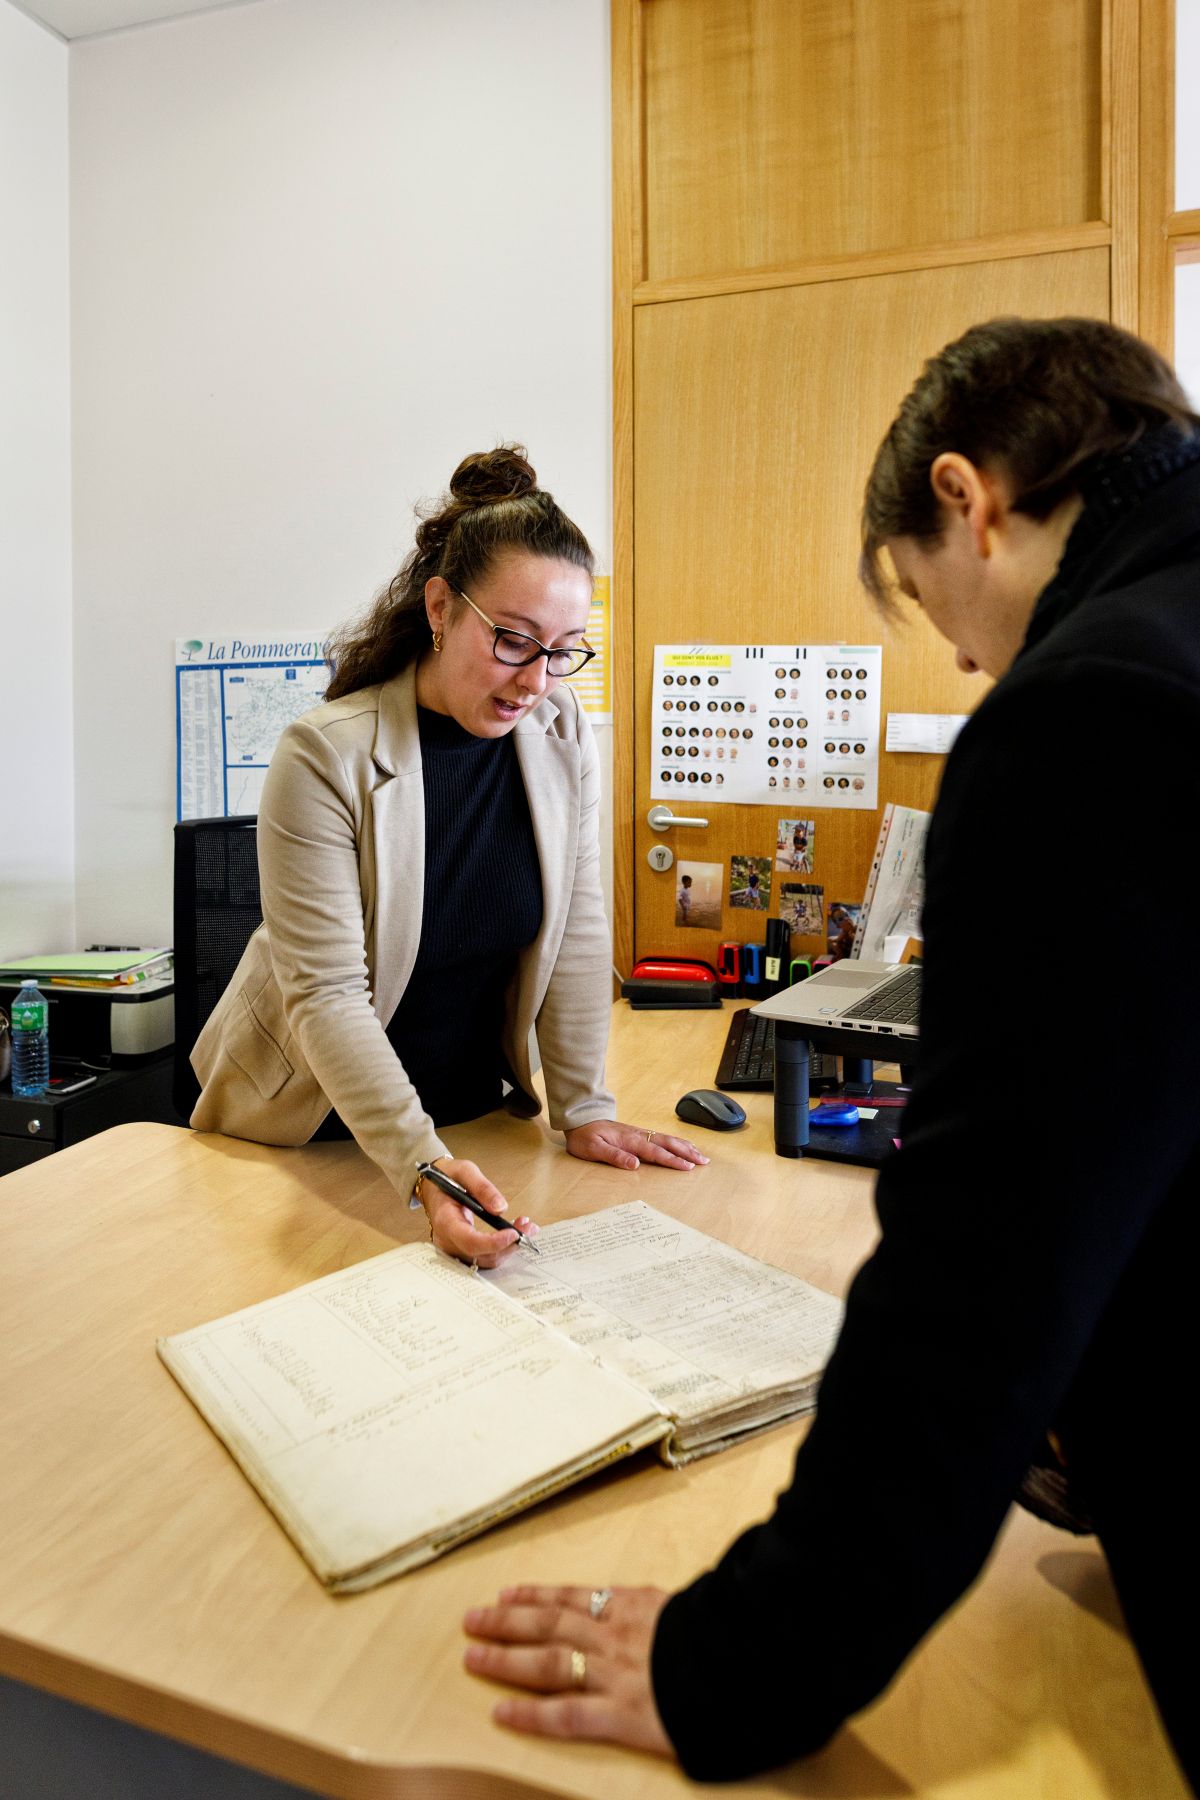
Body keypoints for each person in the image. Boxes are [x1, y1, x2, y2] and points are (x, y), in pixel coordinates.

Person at [460, 319, 1200, 1791]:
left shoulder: (1094, 704)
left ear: (969, 499)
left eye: (943, 612)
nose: (976, 657)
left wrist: (743, 1659)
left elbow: (979, 1280)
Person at [191, 446, 706, 1267]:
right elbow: (326, 995)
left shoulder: (560, 728)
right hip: (308, 1130)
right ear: (440, 607)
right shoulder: (324, 756)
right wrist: (423, 1168)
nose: (538, 679)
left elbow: (577, 926)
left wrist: (583, 1109)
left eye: (565, 648)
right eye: (513, 640)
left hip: (468, 1116)